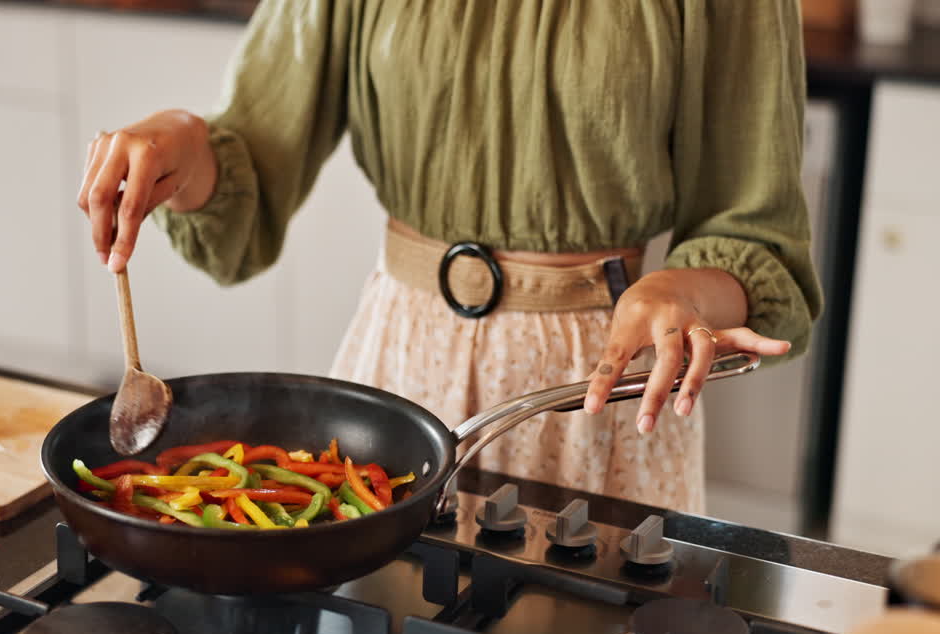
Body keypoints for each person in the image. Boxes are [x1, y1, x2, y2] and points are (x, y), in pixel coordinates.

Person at [76, 1, 820, 513]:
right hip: (401, 372)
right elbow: (251, 164)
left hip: (601, 391)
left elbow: (756, 234)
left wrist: (681, 293)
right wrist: (178, 141)